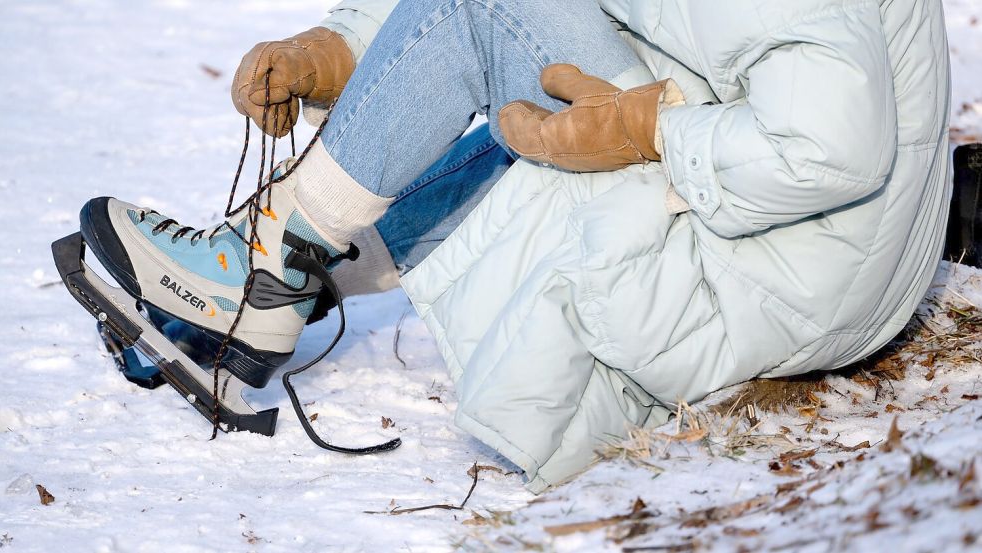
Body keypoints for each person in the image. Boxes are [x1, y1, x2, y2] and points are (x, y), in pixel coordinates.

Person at [78, 0, 951, 492]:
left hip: (792, 264)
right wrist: (339, 52)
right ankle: (282, 273)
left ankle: (257, 286)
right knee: (505, 34)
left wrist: (650, 130)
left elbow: (831, 145)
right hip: (818, 254)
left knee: (487, 9)